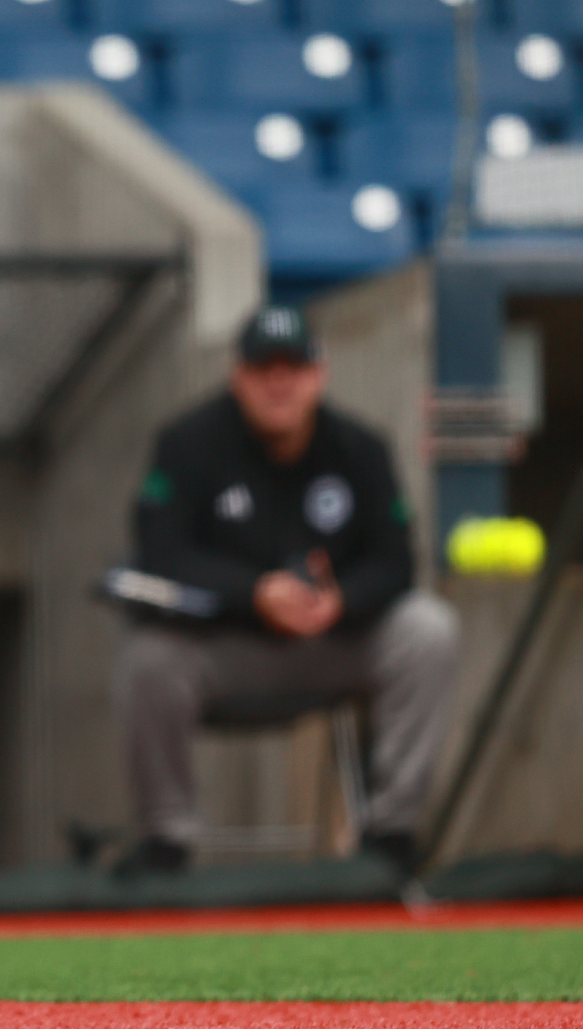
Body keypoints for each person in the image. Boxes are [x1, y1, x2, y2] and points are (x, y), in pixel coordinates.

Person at [111, 304, 459, 877]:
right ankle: (166, 842)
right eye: (263, 368)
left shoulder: (361, 447)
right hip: (227, 648)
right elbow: (159, 555)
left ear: (318, 375)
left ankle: (391, 835)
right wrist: (254, 592)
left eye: (293, 367)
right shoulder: (187, 442)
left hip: (331, 644)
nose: (279, 383)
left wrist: (341, 600)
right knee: (148, 657)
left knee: (428, 628)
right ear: (238, 376)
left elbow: (396, 562)